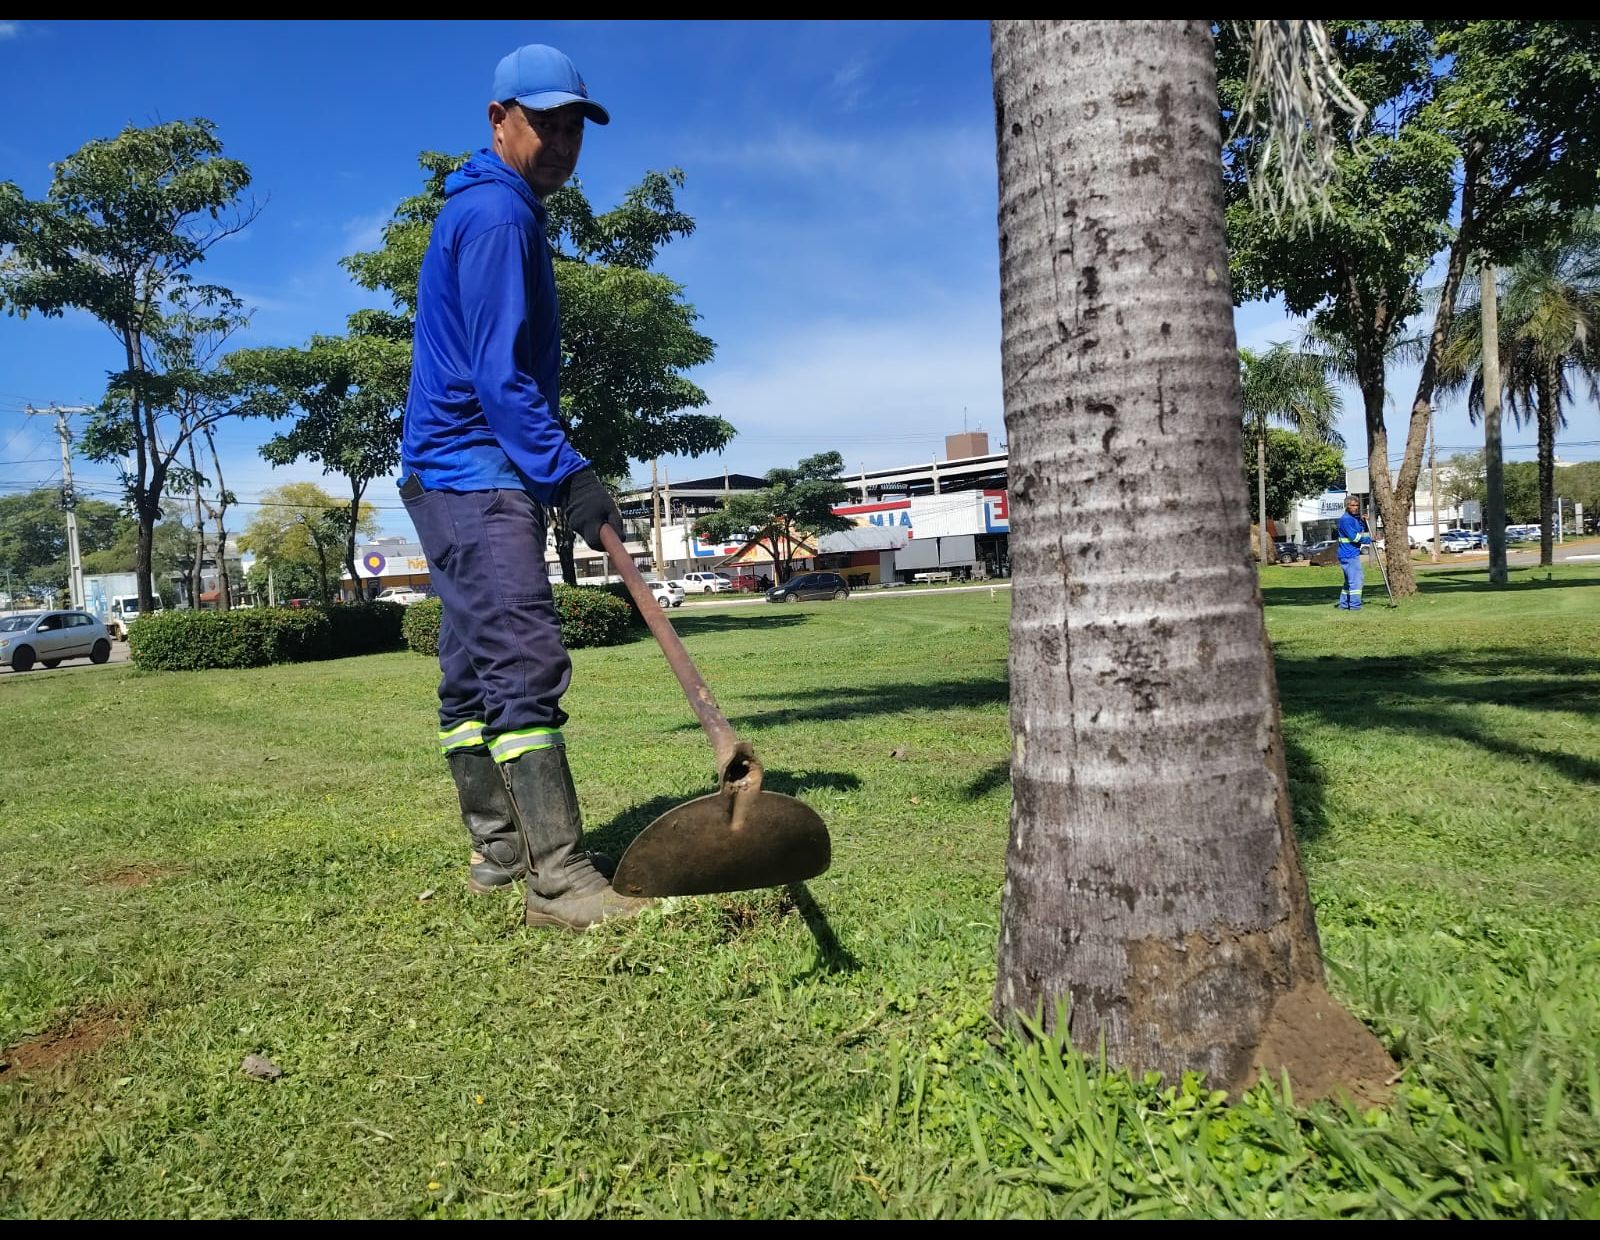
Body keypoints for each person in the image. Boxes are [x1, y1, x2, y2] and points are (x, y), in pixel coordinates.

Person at [399, 43, 647, 931]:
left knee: (470, 673)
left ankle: (501, 850)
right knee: (522, 660)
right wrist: (570, 473)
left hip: (445, 472)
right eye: (545, 122)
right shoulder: (502, 217)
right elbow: (502, 381)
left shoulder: (492, 209)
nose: (563, 140)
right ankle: (561, 878)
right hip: (474, 470)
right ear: (499, 119)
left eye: (575, 124)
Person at [1335, 494, 1373, 610]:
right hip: (1349, 554)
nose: (1355, 507)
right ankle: (1355, 605)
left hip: (1349, 553)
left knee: (1349, 582)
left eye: (1357, 505)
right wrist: (1370, 539)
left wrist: (1362, 522)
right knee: (1356, 581)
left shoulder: (1353, 519)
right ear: (1347, 506)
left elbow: (1358, 530)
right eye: (1352, 505)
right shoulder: (1346, 520)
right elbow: (1354, 537)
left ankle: (1344, 604)